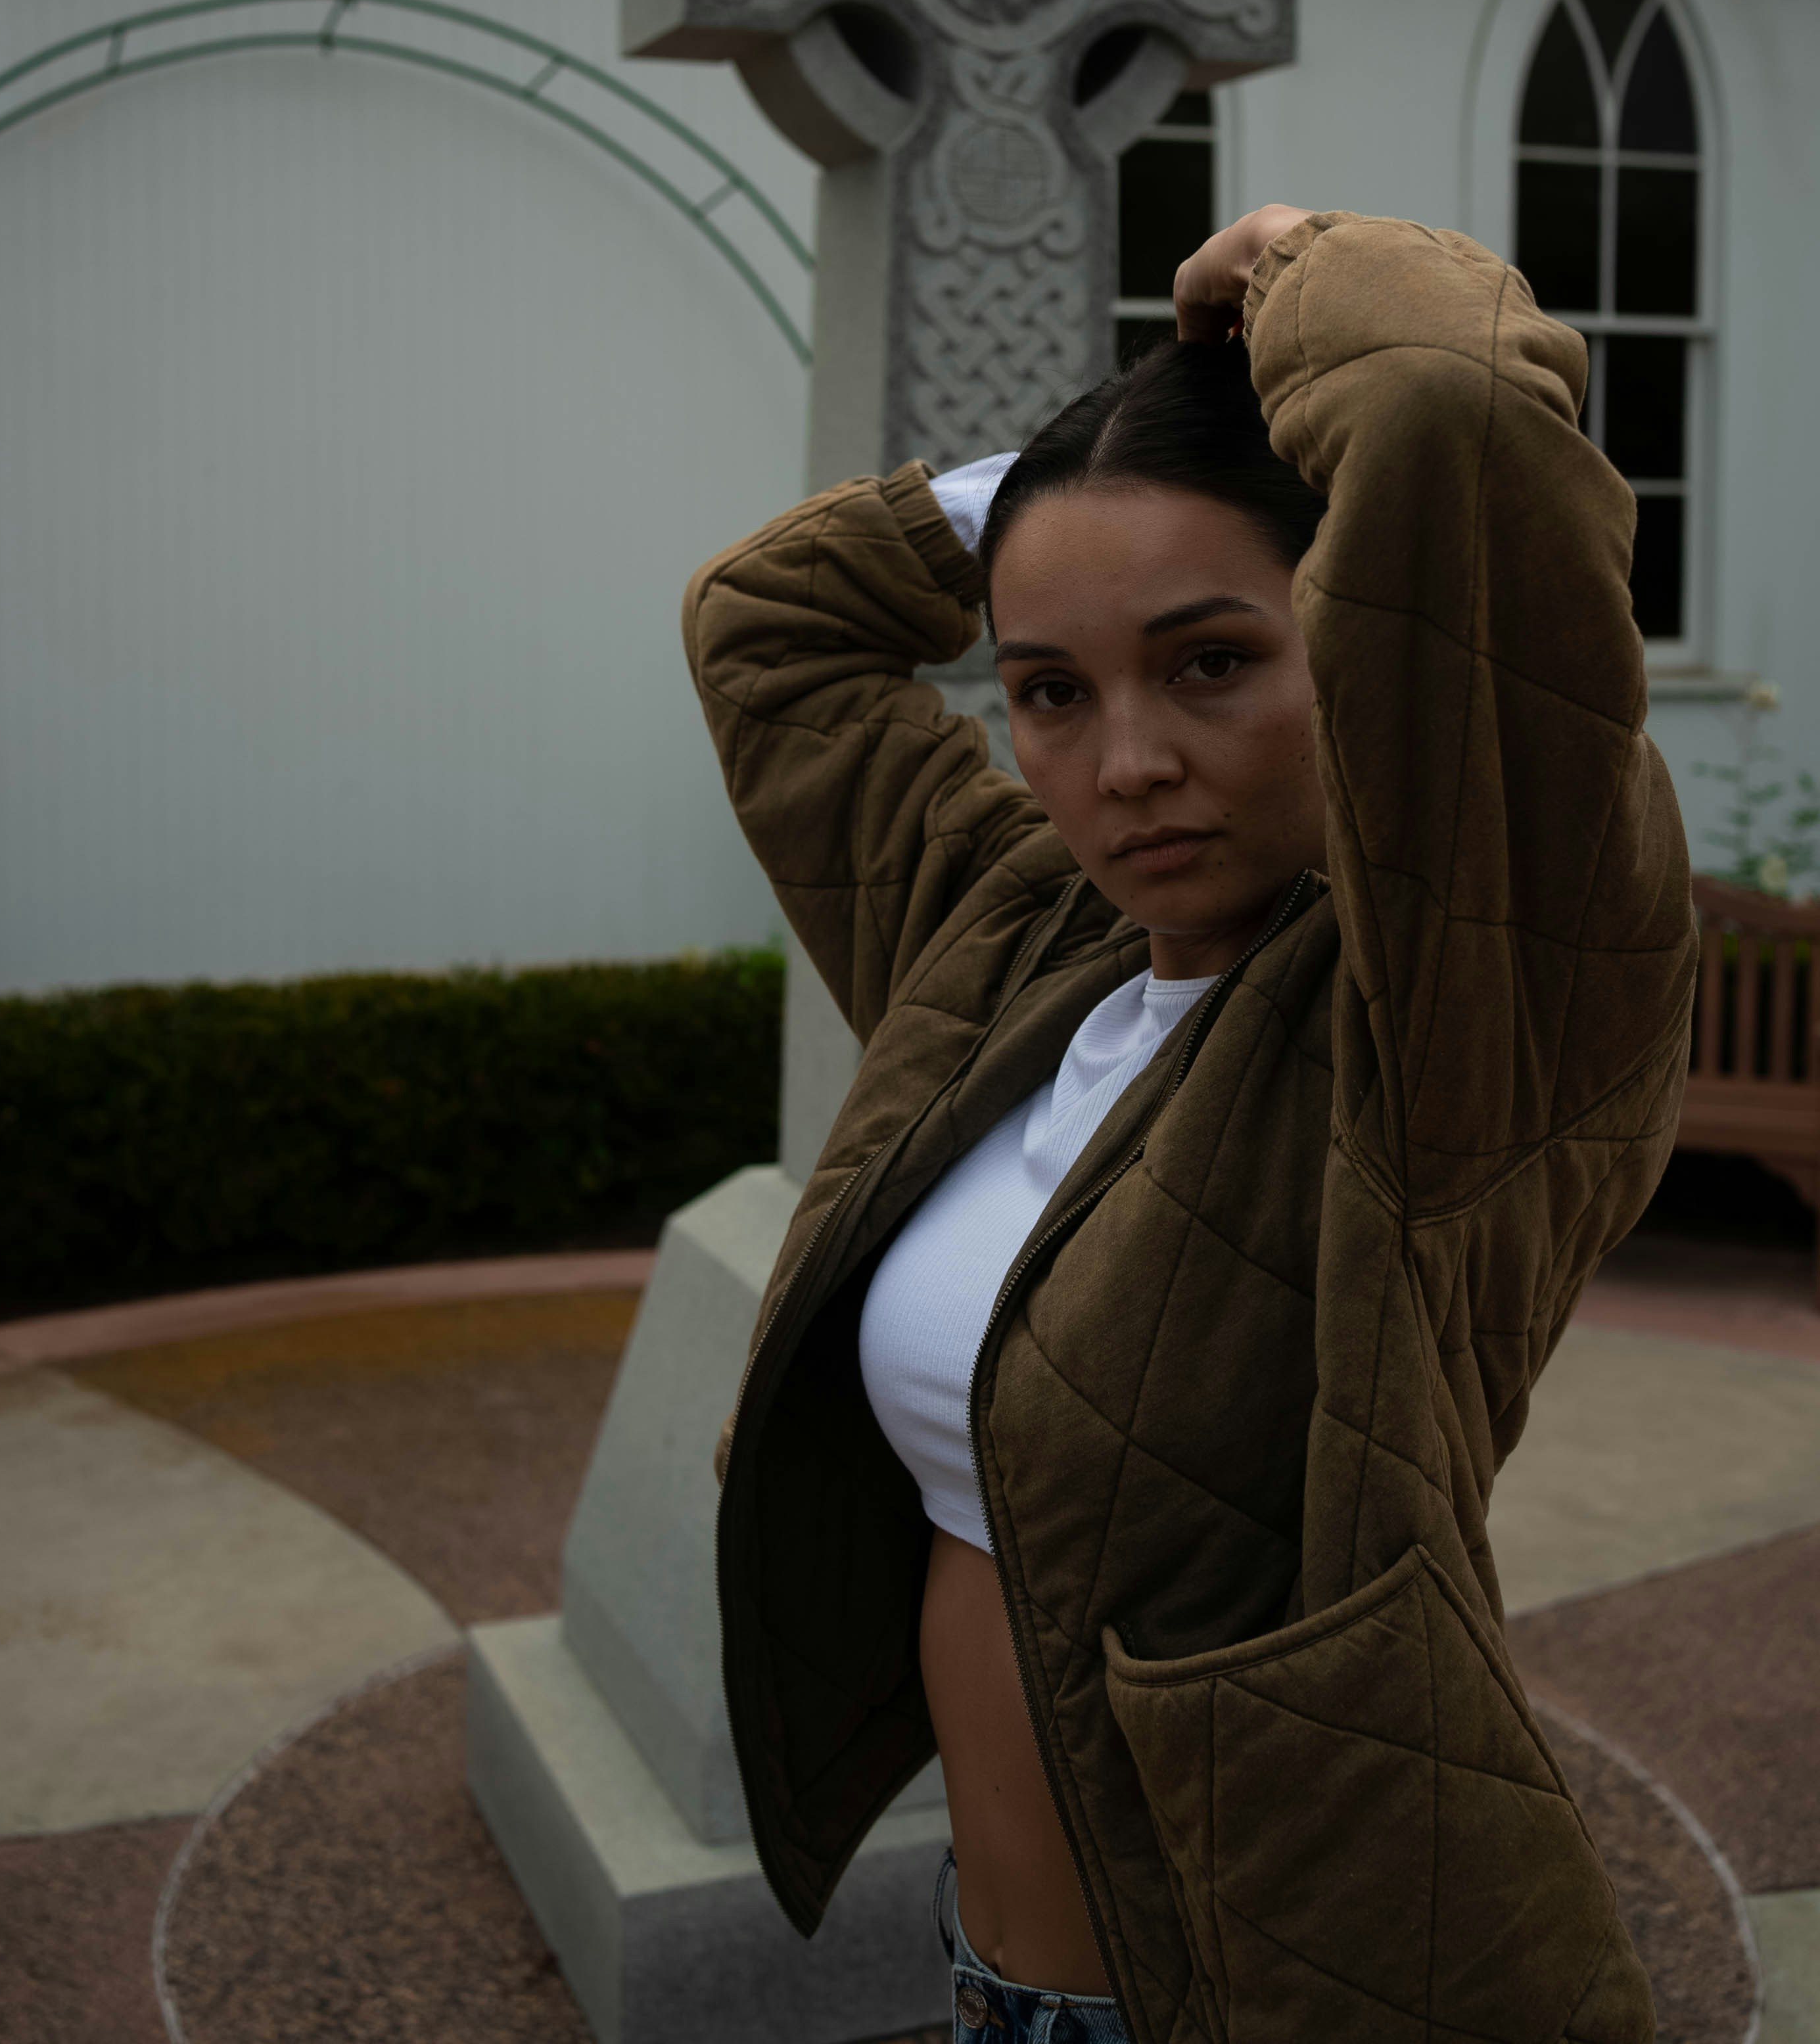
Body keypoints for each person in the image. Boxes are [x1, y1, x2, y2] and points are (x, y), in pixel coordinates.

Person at [686, 206, 1695, 2044]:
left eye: (1212, 660)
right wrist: (1076, 477)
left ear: (1354, 648)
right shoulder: (1019, 939)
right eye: (1051, 695)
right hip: (1003, 1983)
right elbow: (769, 631)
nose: (1124, 762)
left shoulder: (1460, 1003)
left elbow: (1447, 416)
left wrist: (1291, 279)